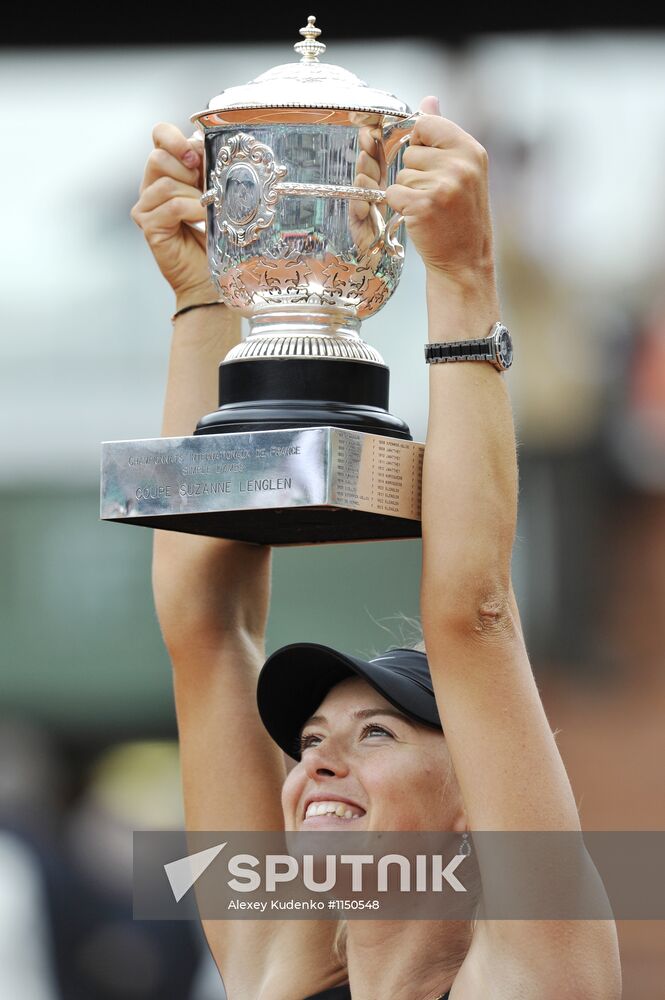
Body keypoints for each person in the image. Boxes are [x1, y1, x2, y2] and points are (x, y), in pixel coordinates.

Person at [130, 96, 622, 1000]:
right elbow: (204, 625)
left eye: (376, 733)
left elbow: (472, 616)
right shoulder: (276, 965)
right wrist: (205, 295)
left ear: (475, 807)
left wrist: (463, 276)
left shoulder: (537, 978)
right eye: (313, 737)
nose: (316, 760)